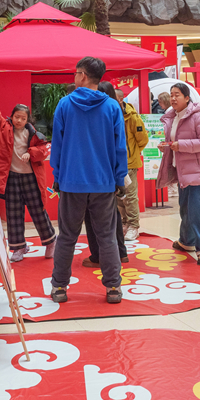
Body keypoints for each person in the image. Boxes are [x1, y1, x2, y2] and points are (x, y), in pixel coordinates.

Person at [50, 57, 127, 304]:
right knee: (106, 236)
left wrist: (57, 176)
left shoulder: (64, 105)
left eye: (76, 73)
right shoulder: (112, 107)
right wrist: (119, 179)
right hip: (103, 183)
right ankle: (113, 287)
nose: (74, 77)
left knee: (67, 236)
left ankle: (59, 287)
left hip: (71, 182)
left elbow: (57, 146)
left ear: (82, 75)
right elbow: (120, 147)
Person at [0, 78, 56, 262]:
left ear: (28, 119)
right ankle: (19, 248)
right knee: (13, 213)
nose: (19, 120)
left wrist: (31, 153)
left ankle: (50, 242)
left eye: (23, 118)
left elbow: (44, 149)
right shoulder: (3, 128)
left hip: (31, 178)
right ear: (11, 117)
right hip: (12, 178)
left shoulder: (34, 133)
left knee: (38, 211)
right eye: (16, 117)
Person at [157, 83, 200, 265]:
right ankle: (187, 241)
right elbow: (174, 141)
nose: (173, 98)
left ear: (187, 98)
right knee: (184, 208)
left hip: (198, 173)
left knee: (196, 211)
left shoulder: (198, 116)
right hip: (182, 171)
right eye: (171, 95)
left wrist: (180, 145)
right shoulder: (172, 117)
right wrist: (166, 146)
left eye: (177, 95)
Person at [82, 80, 129, 267]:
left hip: (95, 174)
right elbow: (121, 147)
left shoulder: (95, 112)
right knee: (112, 215)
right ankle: (121, 253)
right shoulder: (116, 110)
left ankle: (98, 256)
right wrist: (120, 176)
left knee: (92, 216)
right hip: (112, 173)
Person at [117, 92, 149, 241]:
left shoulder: (132, 117)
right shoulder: (110, 114)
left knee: (130, 197)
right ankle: (125, 223)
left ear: (120, 99)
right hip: (115, 164)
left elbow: (143, 140)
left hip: (129, 163)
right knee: (119, 197)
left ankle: (134, 226)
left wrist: (133, 153)